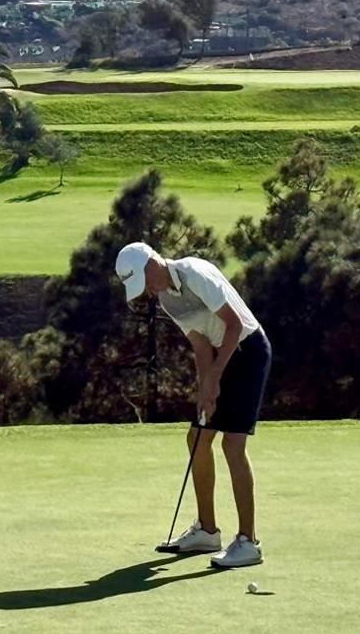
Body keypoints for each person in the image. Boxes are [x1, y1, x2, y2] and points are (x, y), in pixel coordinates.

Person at [115, 241, 272, 568]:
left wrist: (214, 377)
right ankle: (207, 531)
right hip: (219, 358)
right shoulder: (168, 301)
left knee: (232, 444)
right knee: (198, 438)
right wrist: (205, 389)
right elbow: (201, 345)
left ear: (152, 263)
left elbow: (235, 326)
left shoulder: (194, 273)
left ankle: (248, 542)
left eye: (146, 282)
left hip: (249, 351)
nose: (148, 290)